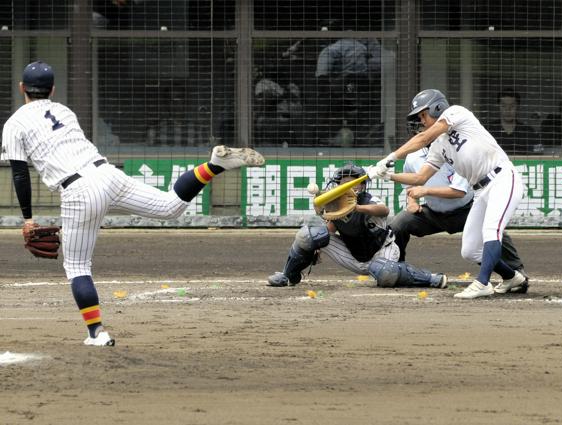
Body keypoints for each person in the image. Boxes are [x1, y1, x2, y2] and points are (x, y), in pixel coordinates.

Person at [1, 61, 265, 346]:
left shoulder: (15, 123)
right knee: (170, 206)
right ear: (52, 89)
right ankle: (214, 165)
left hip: (77, 189)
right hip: (106, 173)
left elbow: (19, 173)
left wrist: (28, 219)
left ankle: (97, 333)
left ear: (21, 88)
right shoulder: (64, 111)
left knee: (77, 267)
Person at [369, 89, 527, 299]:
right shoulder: (439, 146)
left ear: (437, 107)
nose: (422, 121)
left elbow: (424, 138)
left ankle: (482, 282)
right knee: (470, 250)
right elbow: (419, 179)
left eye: (423, 115)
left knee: (492, 230)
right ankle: (512, 277)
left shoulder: (457, 113)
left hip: (502, 178)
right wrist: (387, 175)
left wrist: (391, 156)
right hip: (481, 190)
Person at [389, 124, 528, 293]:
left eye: (425, 130)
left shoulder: (453, 151)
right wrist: (412, 202)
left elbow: (458, 192)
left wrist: (425, 190)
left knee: (493, 231)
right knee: (398, 223)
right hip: (433, 213)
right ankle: (398, 271)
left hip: (465, 210)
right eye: (418, 132)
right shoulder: (412, 158)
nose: (422, 134)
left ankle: (515, 273)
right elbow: (411, 185)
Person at [267, 163, 447, 289]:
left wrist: (357, 207)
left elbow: (383, 210)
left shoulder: (368, 200)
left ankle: (429, 278)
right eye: (343, 181)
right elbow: (330, 229)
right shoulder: (334, 203)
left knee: (386, 274)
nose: (348, 185)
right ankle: (289, 276)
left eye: (354, 181)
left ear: (362, 185)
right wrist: (317, 249)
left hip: (381, 253)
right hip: (353, 255)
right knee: (307, 236)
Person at [484, 89, 538, 155]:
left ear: (518, 107)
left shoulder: (528, 132)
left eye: (512, 106)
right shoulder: (488, 130)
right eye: (504, 106)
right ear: (499, 107)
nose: (508, 110)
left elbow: (536, 156)